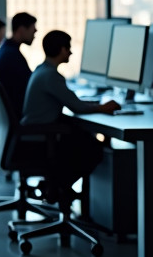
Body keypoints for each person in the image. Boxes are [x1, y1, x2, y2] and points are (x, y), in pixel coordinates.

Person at [21, 30, 119, 191]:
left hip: (35, 132)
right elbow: (77, 107)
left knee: (85, 140)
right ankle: (58, 187)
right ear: (61, 50)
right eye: (69, 48)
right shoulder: (51, 76)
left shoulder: (42, 70)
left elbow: (71, 101)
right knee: (93, 150)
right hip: (42, 136)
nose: (71, 52)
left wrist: (92, 104)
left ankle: (57, 186)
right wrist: (103, 107)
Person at [0, 12, 37, 115]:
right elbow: (30, 84)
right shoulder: (12, 55)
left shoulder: (5, 50)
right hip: (19, 112)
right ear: (21, 30)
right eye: (33, 30)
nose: (35, 33)